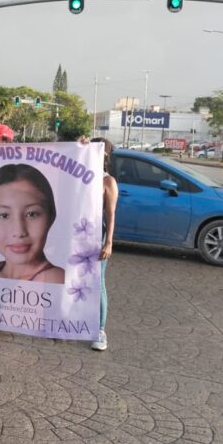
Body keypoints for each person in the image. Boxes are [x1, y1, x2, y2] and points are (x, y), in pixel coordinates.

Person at [0, 163, 65, 283]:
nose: (19, 232)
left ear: (51, 217)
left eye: (32, 214)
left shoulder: (57, 280)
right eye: (4, 215)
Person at [90, 137, 118, 351]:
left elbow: (110, 214)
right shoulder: (81, 175)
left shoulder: (108, 181)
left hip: (96, 235)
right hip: (76, 235)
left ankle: (100, 330)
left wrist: (108, 243)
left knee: (98, 282)